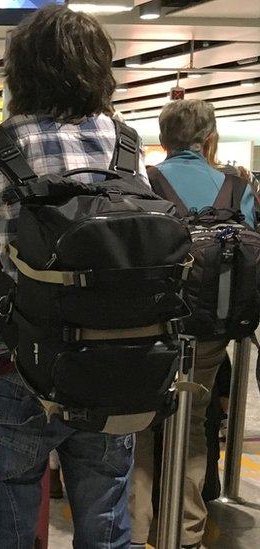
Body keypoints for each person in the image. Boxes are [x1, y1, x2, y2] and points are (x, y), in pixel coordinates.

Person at [0, 6, 141, 547]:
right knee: (105, 530)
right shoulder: (124, 143)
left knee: (6, 529)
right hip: (111, 361)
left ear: (21, 71)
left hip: (15, 359)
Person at [129, 99, 257, 549]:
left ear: (163, 141)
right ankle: (186, 530)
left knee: (141, 424)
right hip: (211, 327)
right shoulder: (236, 184)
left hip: (152, 327)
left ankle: (138, 527)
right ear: (208, 139)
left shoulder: (144, 181)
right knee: (195, 423)